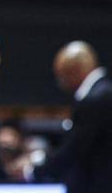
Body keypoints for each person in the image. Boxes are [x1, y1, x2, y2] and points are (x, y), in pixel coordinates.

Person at [27, 41, 112, 193]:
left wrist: (34, 172)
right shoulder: (104, 93)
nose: (61, 84)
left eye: (62, 76)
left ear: (74, 71)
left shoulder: (95, 100)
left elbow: (74, 149)